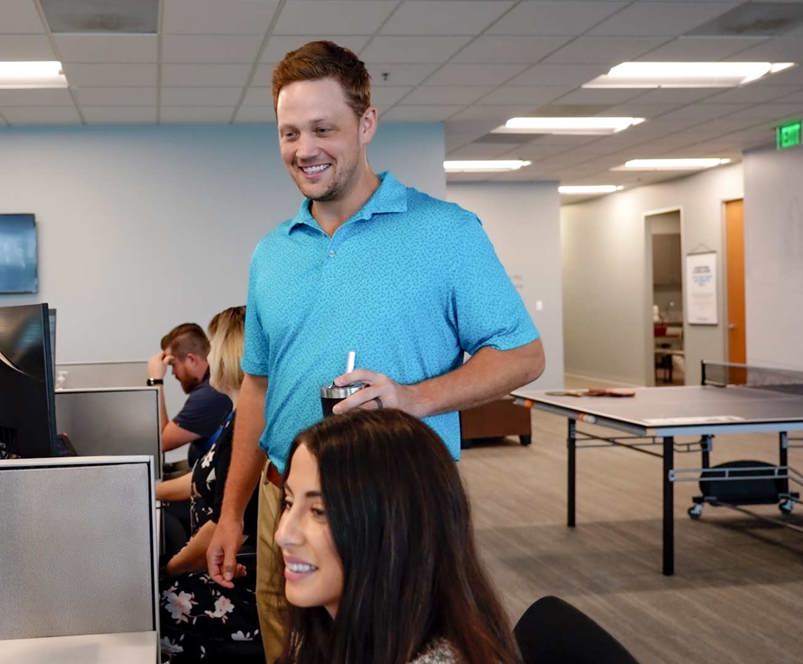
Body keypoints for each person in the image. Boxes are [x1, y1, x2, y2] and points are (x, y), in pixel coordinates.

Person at [206, 40, 545, 662]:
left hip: (394, 509)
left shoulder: (445, 232)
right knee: (291, 649)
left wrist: (411, 398)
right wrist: (231, 513)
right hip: (285, 498)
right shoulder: (272, 253)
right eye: (288, 133)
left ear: (366, 124)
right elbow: (256, 388)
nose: (304, 149)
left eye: (322, 128)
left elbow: (523, 355)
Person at [275, 409, 520, 664]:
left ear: (394, 530)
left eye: (319, 511)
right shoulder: (328, 628)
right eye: (289, 503)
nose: (283, 534)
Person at [155, 306, 263, 663]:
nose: (207, 356)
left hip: (232, 572)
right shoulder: (236, 417)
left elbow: (222, 523)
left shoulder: (247, 430)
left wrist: (167, 570)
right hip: (215, 558)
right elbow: (201, 478)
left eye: (213, 346)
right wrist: (144, 491)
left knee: (155, 604)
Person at [149, 322, 233, 467]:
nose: (173, 373)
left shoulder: (209, 396)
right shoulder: (211, 386)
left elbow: (159, 442)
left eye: (173, 364)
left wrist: (156, 381)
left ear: (191, 360)